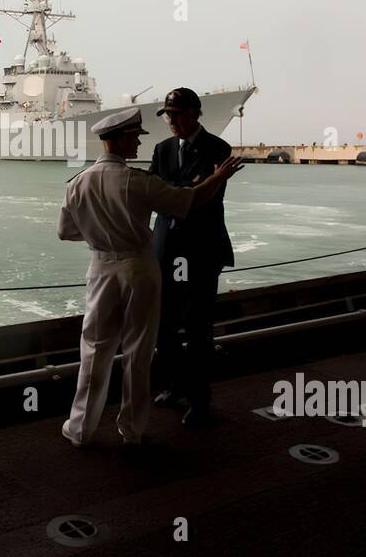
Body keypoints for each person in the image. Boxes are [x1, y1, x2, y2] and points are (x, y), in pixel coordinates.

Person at [56, 106, 243, 447]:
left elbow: (65, 232)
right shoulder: (137, 182)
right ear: (123, 138)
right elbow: (190, 199)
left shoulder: (77, 183)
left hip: (100, 268)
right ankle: (132, 429)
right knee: (138, 351)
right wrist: (220, 176)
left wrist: (103, 233)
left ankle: (80, 428)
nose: (141, 144)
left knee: (94, 350)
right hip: (139, 268)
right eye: (136, 137)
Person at [149, 88, 236, 427]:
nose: (171, 121)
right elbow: (162, 197)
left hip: (200, 251)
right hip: (166, 251)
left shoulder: (218, 148)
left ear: (196, 114)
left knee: (198, 329)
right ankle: (175, 386)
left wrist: (179, 192)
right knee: (164, 327)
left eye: (178, 114)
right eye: (168, 115)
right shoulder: (162, 149)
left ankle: (200, 401)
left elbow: (206, 200)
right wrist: (193, 187)